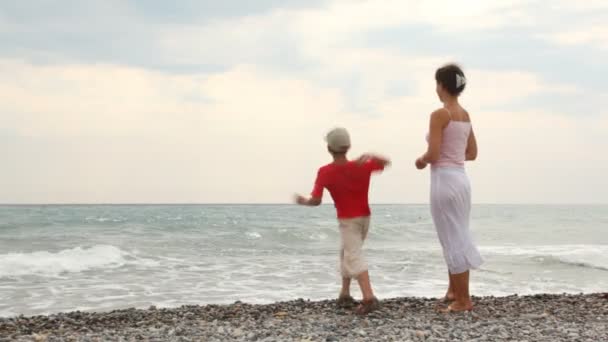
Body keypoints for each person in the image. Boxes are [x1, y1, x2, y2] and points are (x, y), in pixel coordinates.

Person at [295, 127, 390, 315]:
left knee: (353, 255)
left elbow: (316, 201)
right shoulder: (362, 165)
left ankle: (369, 298)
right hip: (365, 217)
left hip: (347, 220)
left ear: (329, 148)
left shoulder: (325, 172)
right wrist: (371, 154)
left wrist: (302, 201)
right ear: (348, 147)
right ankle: (345, 294)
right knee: (346, 252)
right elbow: (386, 163)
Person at [415, 63, 483, 312]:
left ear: (442, 86)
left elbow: (433, 154)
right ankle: (454, 290)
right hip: (462, 180)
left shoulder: (440, 114)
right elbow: (472, 153)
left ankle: (464, 300)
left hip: (444, 179)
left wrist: (420, 161)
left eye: (436, 84)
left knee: (451, 237)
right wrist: (453, 156)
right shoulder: (465, 114)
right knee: (458, 233)